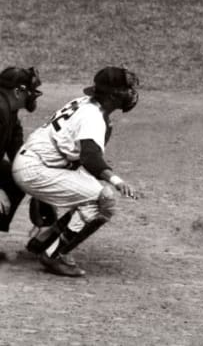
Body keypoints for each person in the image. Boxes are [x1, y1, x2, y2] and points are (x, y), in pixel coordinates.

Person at [12, 66, 139, 277]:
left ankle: (44, 241)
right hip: (36, 169)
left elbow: (82, 159)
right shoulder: (93, 117)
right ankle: (53, 255)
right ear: (113, 94)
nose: (130, 93)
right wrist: (116, 181)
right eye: (126, 89)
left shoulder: (87, 104)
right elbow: (90, 157)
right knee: (103, 200)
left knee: (91, 191)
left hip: (37, 164)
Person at [0, 67, 43, 235]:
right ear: (18, 91)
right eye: (29, 91)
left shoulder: (10, 109)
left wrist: (36, 177)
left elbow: (16, 150)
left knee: (18, 178)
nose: (32, 95)